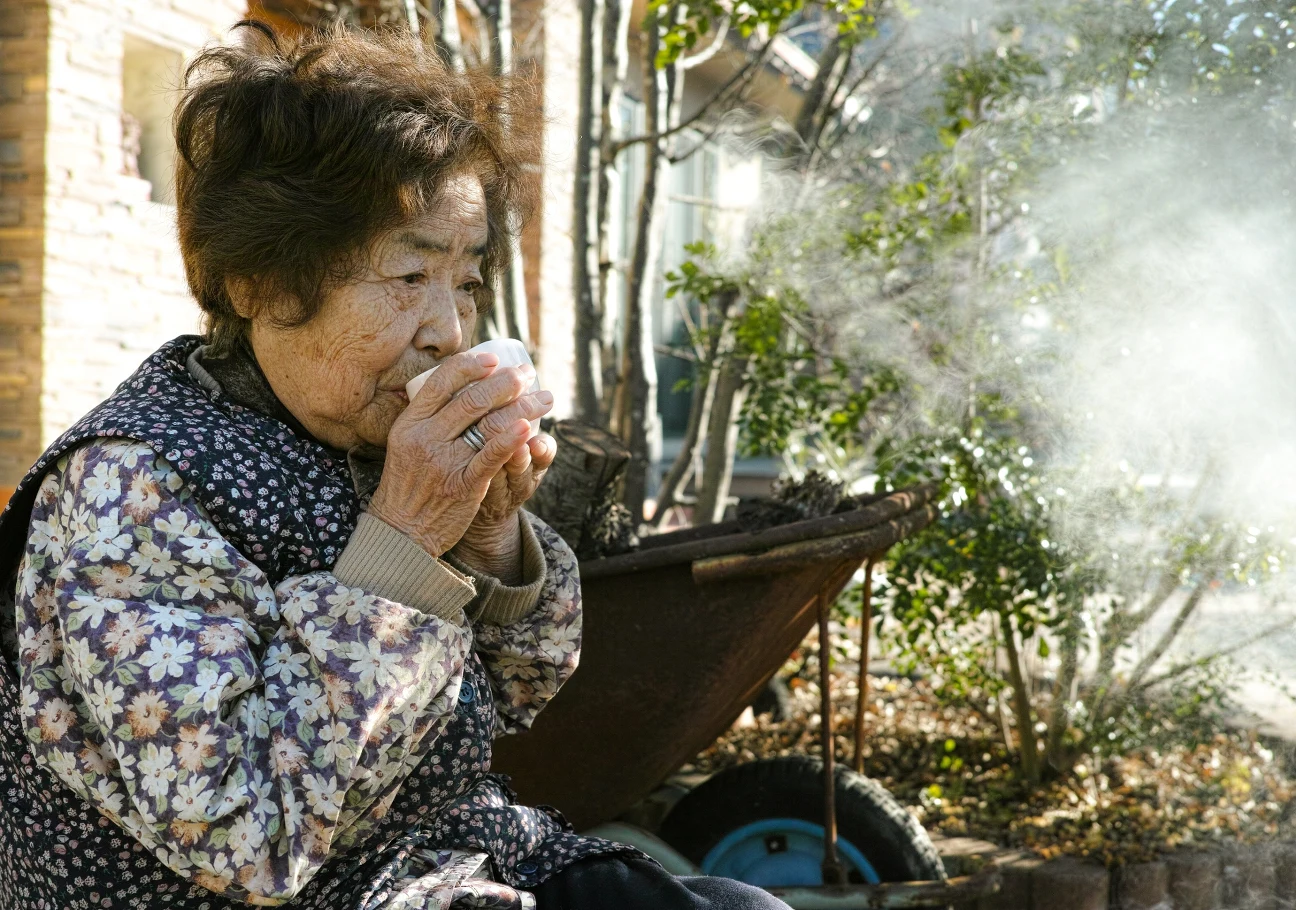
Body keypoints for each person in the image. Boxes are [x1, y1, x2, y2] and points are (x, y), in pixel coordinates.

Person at [0, 22, 789, 910]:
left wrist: (490, 537)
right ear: (259, 283)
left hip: (436, 869)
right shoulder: (134, 487)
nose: (448, 330)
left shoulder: (360, 430)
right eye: (409, 276)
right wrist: (406, 539)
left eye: (466, 280)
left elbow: (517, 694)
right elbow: (246, 838)